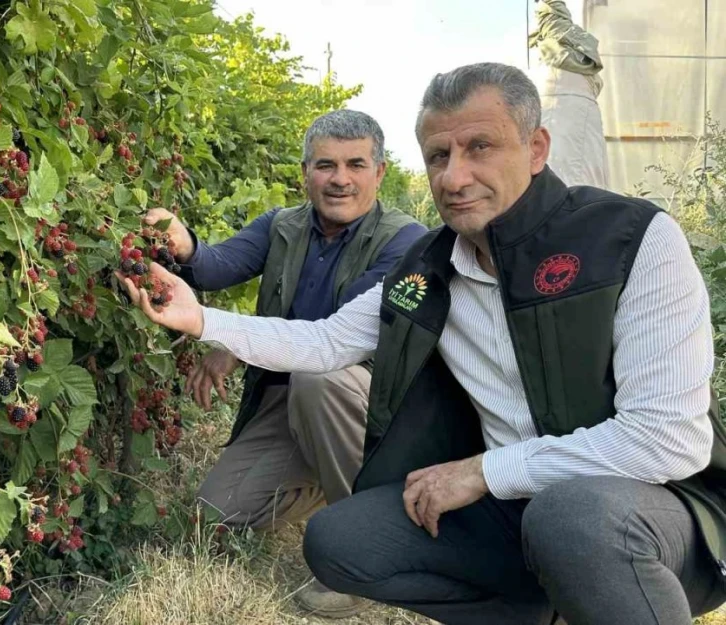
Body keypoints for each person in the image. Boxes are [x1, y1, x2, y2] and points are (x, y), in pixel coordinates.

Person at [119, 62, 726, 624]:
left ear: (536, 149)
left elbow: (667, 439)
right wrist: (200, 319)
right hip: (511, 507)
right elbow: (327, 342)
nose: (454, 176)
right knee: (340, 542)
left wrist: (486, 471)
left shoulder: (632, 239)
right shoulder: (426, 269)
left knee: (571, 516)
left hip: (658, 512)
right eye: (439, 155)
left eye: (479, 147)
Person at [141, 109, 426, 616]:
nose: (340, 179)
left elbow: (333, 336)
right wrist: (185, 245)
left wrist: (229, 341)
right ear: (305, 173)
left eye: (356, 164)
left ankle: (364, 555)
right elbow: (218, 264)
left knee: (321, 381)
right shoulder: (282, 225)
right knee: (213, 515)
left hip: (361, 402)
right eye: (325, 165)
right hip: (288, 399)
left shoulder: (404, 242)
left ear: (380, 172)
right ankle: (327, 476)